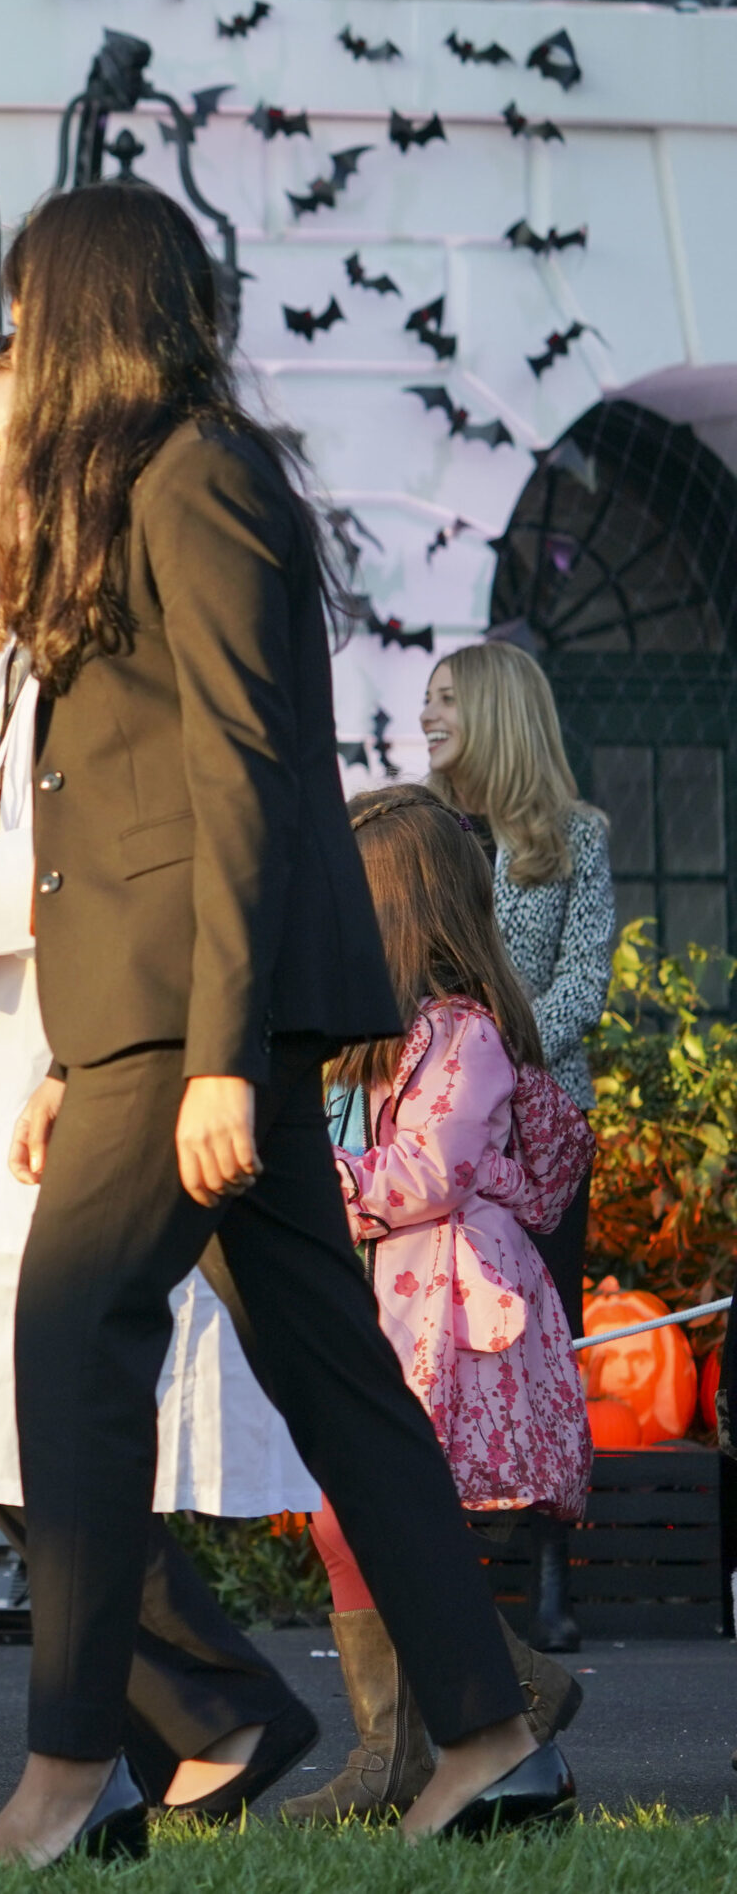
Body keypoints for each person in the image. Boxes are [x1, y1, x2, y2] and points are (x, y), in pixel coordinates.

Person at [0, 183, 554, 1864]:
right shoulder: (131, 491)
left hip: (196, 1013)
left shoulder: (197, 474)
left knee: (72, 1340)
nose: (15, 344)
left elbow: (246, 772)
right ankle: (488, 1734)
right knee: (333, 1371)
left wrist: (219, 1046)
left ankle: (73, 1765)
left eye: (30, 312)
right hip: (155, 1016)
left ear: (84, 314)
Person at [0, 337, 318, 1816]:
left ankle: (207, 1713)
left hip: (97, 1056)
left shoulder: (128, 587)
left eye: (18, 442)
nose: (0, 477)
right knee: (6, 1420)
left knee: (42, 1412)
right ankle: (186, 1720)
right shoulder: (3, 634)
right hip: (1, 1071)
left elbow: (113, 864)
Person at [284, 786, 592, 1822]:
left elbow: (424, 1171)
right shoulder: (389, 1034)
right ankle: (470, 1712)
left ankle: (407, 1748)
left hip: (450, 1320)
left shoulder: (464, 1033)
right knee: (357, 1515)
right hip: (398, 1310)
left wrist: (304, 1171)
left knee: (370, 1510)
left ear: (400, 912)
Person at [421, 639, 613, 1650]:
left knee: (545, 1338)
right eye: (425, 698)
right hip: (442, 1131)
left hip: (540, 1127)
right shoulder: (421, 831)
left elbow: (585, 979)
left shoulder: (575, 837)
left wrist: (498, 1047)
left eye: (446, 697)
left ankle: (549, 1574)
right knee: (443, 1336)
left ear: (494, 710)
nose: (427, 714)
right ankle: (447, 1564)